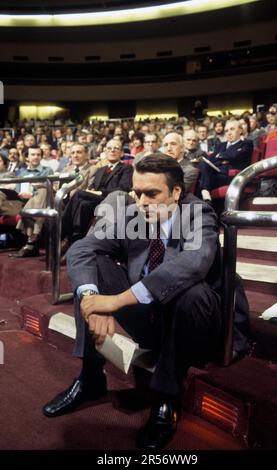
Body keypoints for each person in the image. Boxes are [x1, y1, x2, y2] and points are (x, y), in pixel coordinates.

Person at [42, 153, 222, 450]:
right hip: (148, 314)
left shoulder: (199, 213)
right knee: (93, 267)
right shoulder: (131, 213)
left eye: (152, 193)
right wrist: (92, 300)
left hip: (190, 320)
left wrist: (116, 301)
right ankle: (90, 378)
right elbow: (82, 249)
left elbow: (194, 262)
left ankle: (166, 397)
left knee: (193, 291)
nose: (142, 201)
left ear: (176, 192)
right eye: (137, 193)